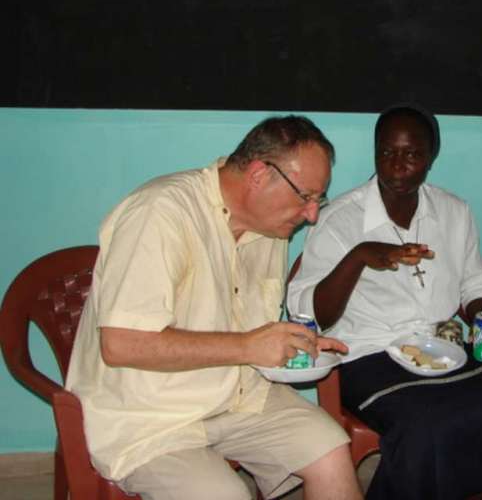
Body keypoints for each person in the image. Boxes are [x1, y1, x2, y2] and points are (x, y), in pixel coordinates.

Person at [66, 116, 363, 500]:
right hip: (150, 415)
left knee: (331, 449)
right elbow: (121, 344)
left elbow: (246, 333)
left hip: (237, 396)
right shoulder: (160, 212)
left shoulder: (270, 226)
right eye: (305, 196)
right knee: (225, 494)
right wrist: (247, 346)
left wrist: (293, 345)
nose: (312, 215)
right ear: (258, 175)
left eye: (317, 200)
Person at [287, 103, 482, 500]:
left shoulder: (453, 212)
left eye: (412, 155)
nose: (396, 166)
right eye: (387, 153)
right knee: (426, 425)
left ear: (431, 158)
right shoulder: (339, 219)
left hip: (443, 347)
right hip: (368, 355)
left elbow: (475, 280)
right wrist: (357, 257)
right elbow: (306, 313)